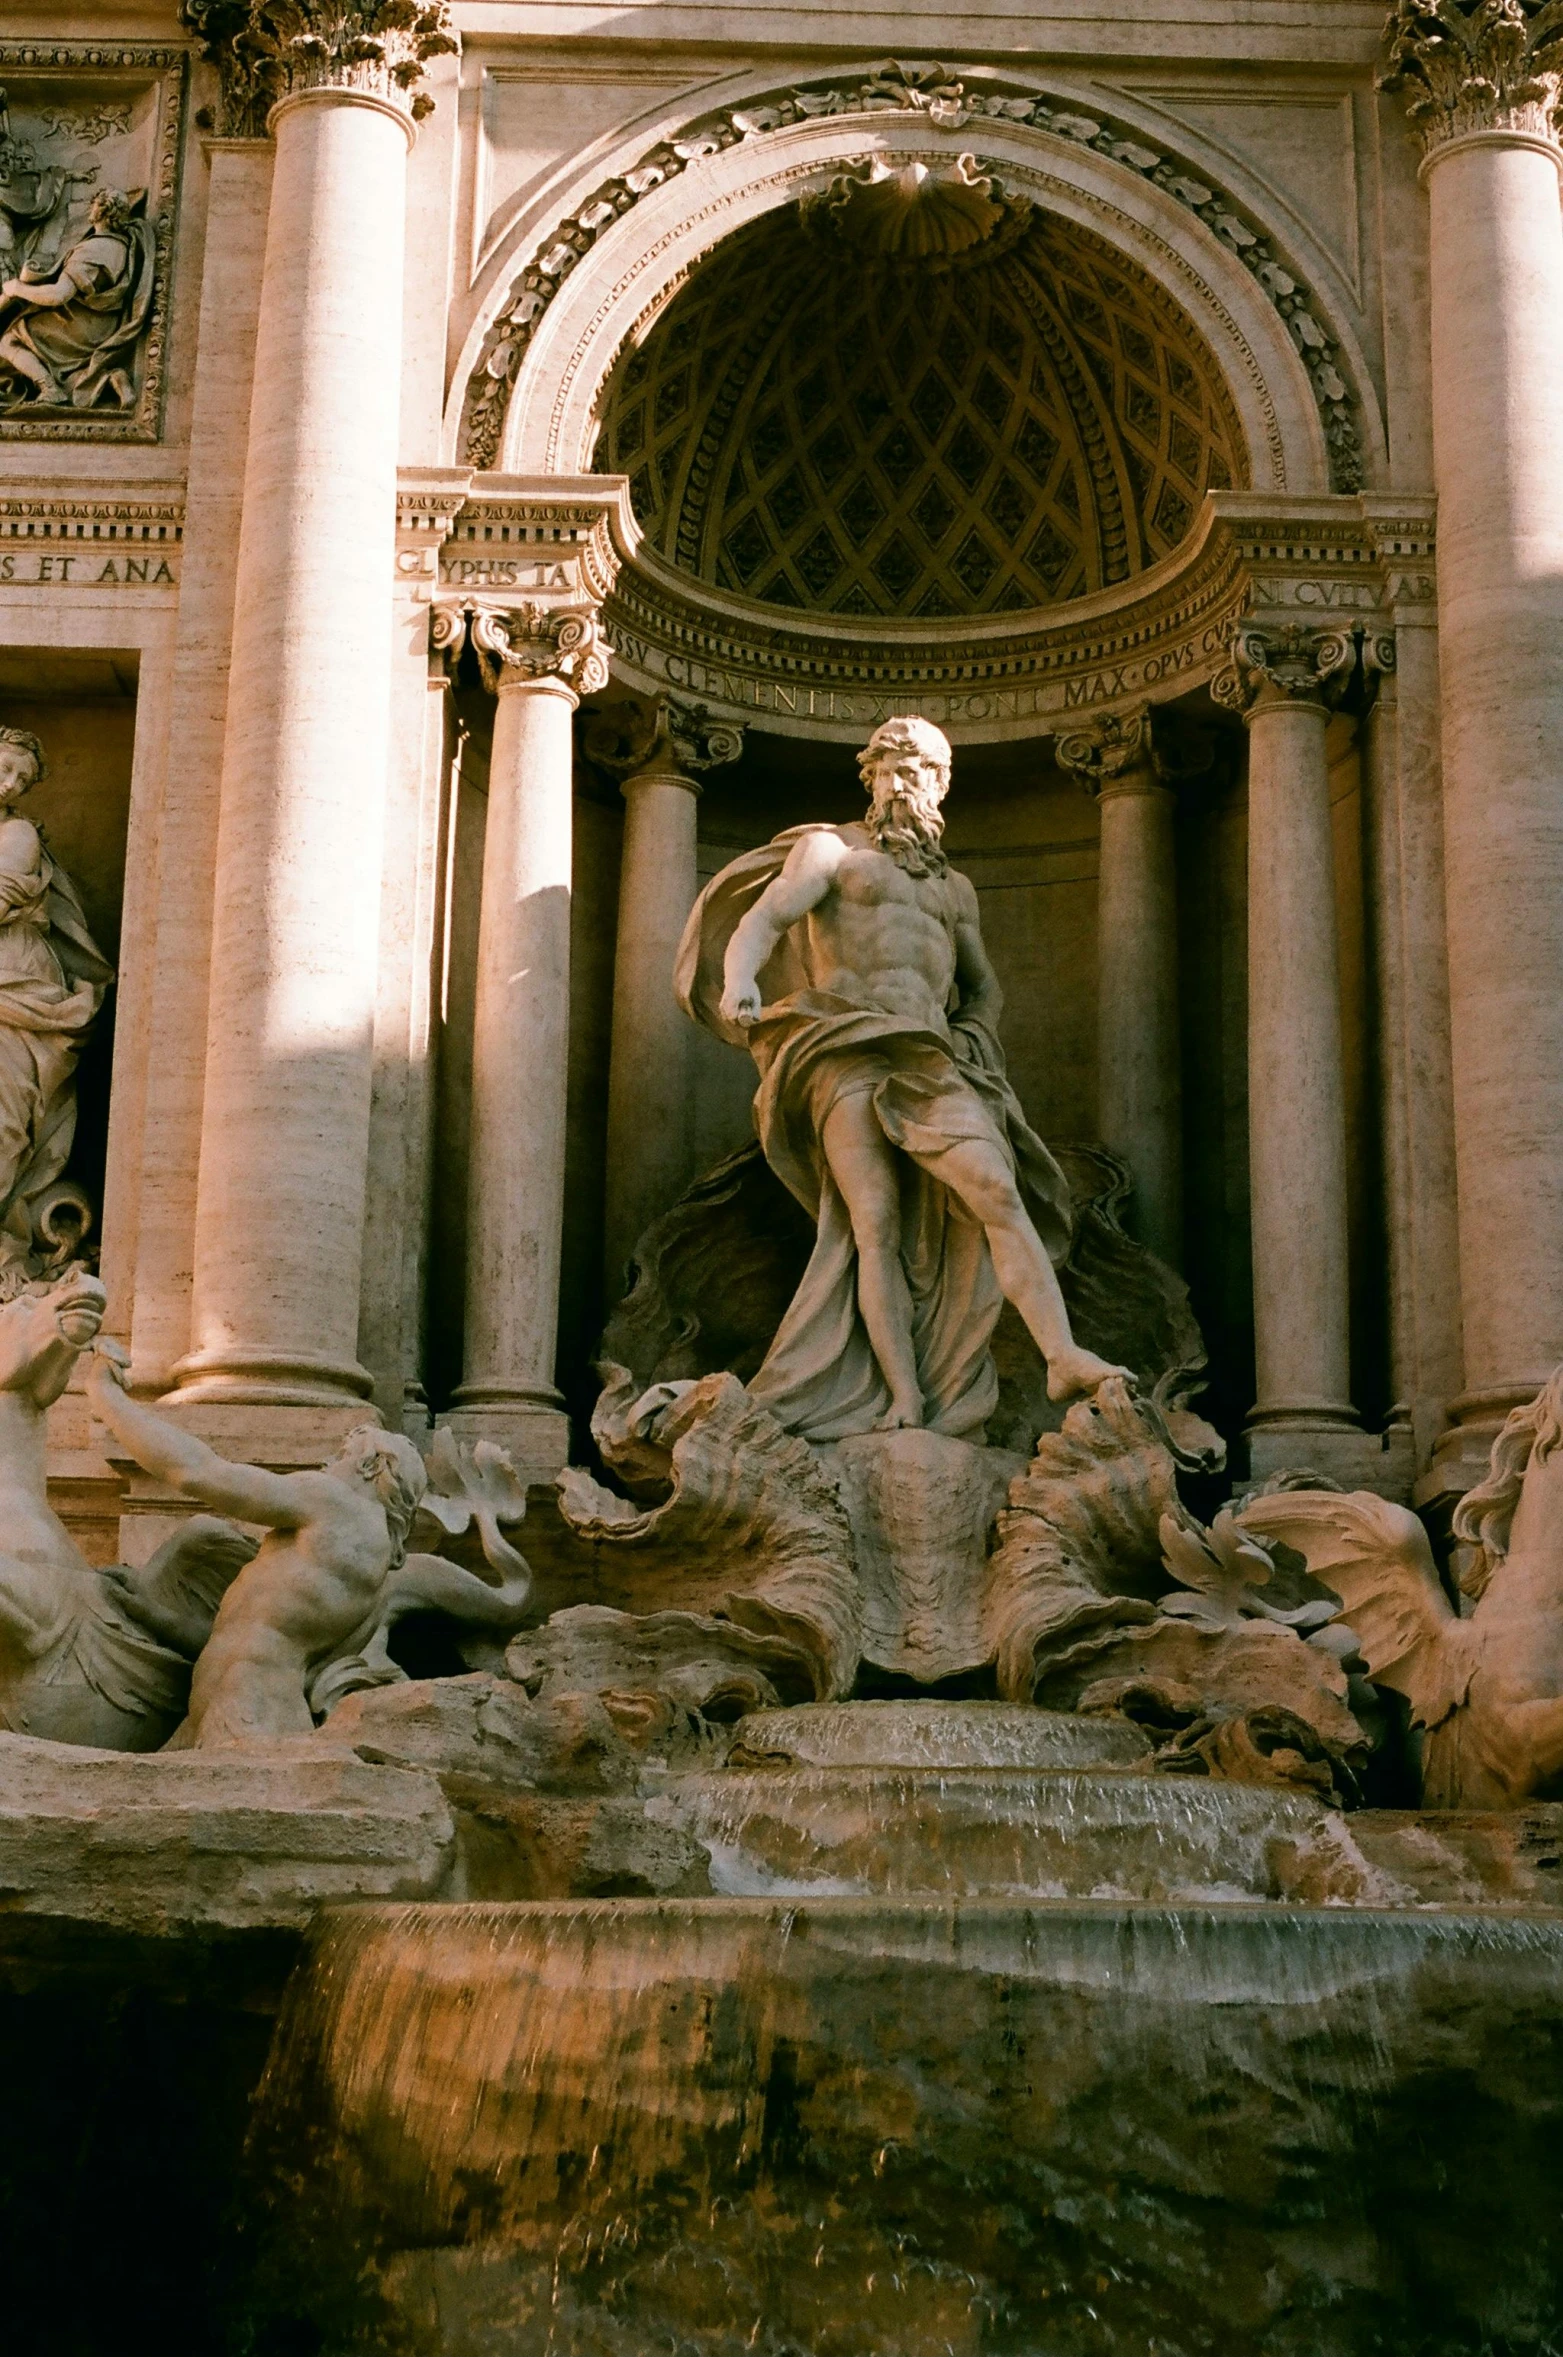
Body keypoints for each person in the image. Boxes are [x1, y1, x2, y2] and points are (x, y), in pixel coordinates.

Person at [675, 713, 1128, 1441]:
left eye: (915, 769)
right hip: (845, 1048)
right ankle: (903, 1396)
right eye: (887, 767)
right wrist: (739, 982)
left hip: (928, 1056)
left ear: (940, 784)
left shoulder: (955, 891)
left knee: (995, 1186)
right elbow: (763, 919)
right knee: (872, 1225)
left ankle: (1060, 1353)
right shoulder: (831, 851)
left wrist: (975, 1038)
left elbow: (982, 987)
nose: (899, 781)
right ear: (870, 778)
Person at [86, 1349, 531, 1749]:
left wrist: (108, 1401)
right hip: (240, 1711)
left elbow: (199, 1472)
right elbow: (251, 1636)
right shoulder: (371, 1573)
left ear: (368, 1464)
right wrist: (152, 1616)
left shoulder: (337, 1503)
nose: (324, 1465)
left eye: (339, 1454)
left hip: (247, 1714)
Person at [0, 727, 112, 1271]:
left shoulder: (17, 835)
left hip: (14, 990)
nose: (11, 783)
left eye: (22, 777)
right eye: (4, 767)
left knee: (5, 1113)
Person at [0, 186, 154, 410]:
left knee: (9, 341)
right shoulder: (122, 246)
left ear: (100, 210)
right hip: (105, 324)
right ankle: (109, 379)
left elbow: (58, 295)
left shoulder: (91, 250)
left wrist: (17, 288)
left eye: (94, 203)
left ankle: (49, 389)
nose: (90, 208)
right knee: (57, 364)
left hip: (82, 327)